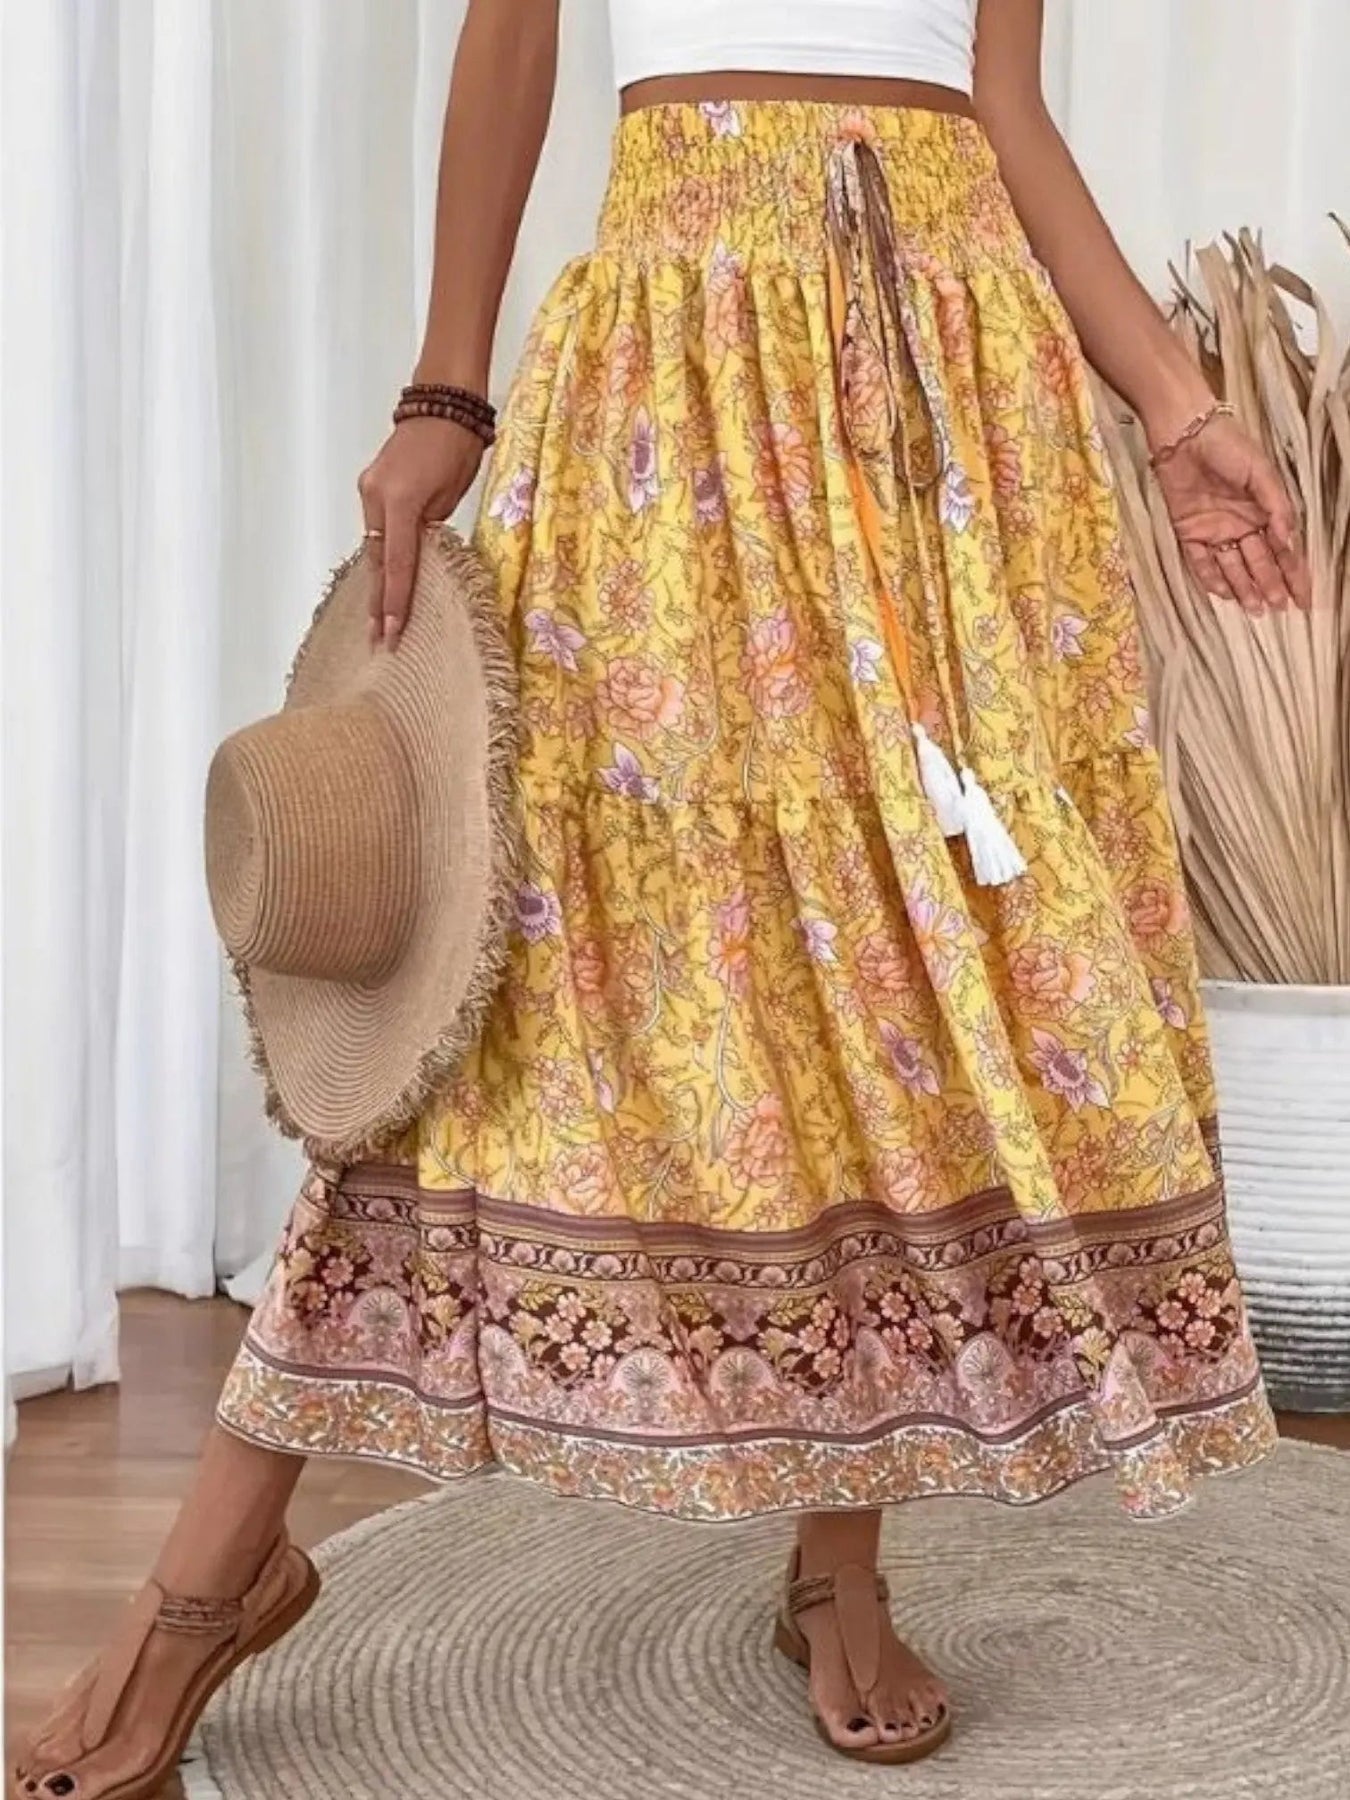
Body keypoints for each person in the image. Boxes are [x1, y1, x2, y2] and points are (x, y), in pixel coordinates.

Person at [15, 0, 1306, 1791]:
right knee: (516, 965)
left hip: (949, 389)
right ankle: (210, 1577)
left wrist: (1175, 407)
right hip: (676, 359)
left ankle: (837, 1567)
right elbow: (508, 39)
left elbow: (1001, 101)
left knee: (894, 974)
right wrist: (443, 391)